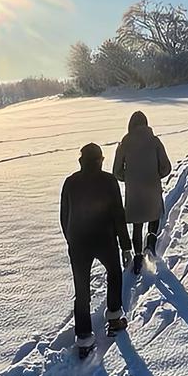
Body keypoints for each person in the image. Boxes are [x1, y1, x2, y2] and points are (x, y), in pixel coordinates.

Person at [60, 143, 132, 353]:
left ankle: (83, 338)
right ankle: (114, 317)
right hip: (105, 240)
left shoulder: (70, 182)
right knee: (114, 273)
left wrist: (71, 240)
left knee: (81, 291)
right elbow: (119, 215)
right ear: (100, 160)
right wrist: (125, 247)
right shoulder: (108, 181)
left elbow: (64, 216)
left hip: (78, 243)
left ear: (81, 160)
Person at [113, 110, 172, 275]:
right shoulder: (155, 142)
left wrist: (130, 177)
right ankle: (151, 243)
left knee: (137, 223)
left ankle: (138, 255)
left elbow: (116, 172)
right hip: (152, 186)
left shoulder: (124, 144)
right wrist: (155, 174)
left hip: (134, 191)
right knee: (154, 214)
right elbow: (166, 167)